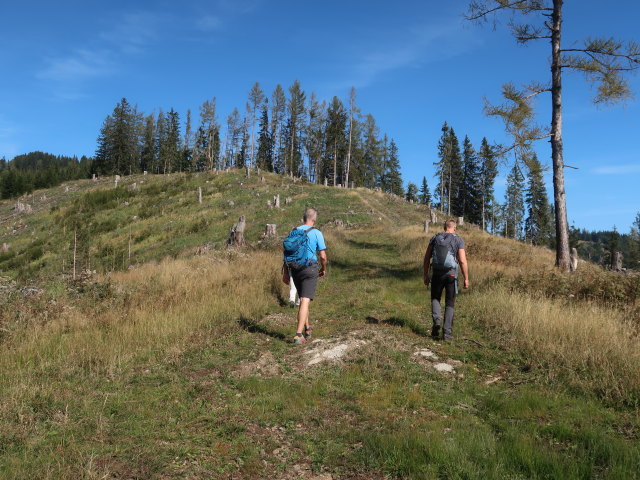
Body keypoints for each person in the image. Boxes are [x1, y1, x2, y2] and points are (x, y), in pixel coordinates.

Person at [282, 208, 327, 344]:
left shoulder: (294, 231)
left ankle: (307, 329)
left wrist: (285, 272)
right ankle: (298, 335)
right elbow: (323, 256)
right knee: (305, 301)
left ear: (303, 218)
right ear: (315, 219)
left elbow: (287, 252)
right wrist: (323, 268)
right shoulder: (317, 233)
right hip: (309, 268)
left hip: (294, 268)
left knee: (302, 300)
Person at [423, 219, 469, 340]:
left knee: (435, 298)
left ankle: (437, 322)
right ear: (454, 228)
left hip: (437, 273)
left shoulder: (435, 238)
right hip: (451, 275)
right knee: (450, 303)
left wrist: (426, 275)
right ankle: (447, 333)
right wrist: (466, 278)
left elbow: (427, 257)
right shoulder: (458, 239)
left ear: (445, 227)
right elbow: (463, 261)